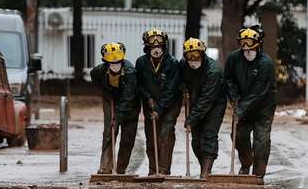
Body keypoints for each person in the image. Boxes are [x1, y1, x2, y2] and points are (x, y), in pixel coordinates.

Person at [163, 38, 226, 177]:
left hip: (214, 105)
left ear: (202, 54)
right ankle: (203, 166)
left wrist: (191, 119)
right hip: (195, 102)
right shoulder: (183, 65)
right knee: (196, 141)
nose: (193, 59)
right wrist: (184, 88)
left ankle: (206, 172)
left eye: (196, 55)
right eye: (189, 56)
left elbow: (207, 99)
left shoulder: (214, 71)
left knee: (208, 136)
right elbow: (180, 81)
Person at [224, 26, 277, 177]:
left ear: (258, 45)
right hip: (241, 104)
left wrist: (240, 110)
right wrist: (234, 97)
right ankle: (246, 163)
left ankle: (258, 174)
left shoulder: (265, 63)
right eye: (243, 44)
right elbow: (228, 79)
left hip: (263, 108)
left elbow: (258, 93)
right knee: (238, 135)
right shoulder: (233, 59)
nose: (247, 49)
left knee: (261, 141)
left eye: (250, 45)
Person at [136, 29, 180, 175]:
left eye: (160, 46)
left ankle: (163, 170)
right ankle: (153, 170)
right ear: (147, 46)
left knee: (166, 135)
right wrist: (148, 98)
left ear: (164, 46)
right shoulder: (141, 62)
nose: (156, 49)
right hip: (150, 104)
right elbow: (140, 84)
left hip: (170, 105)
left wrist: (159, 109)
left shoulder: (172, 63)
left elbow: (171, 90)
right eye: (153, 46)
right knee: (151, 137)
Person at [90, 42, 138, 174]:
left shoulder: (130, 72)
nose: (115, 63)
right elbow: (94, 79)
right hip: (111, 100)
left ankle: (121, 169)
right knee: (109, 133)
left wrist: (117, 116)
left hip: (130, 105)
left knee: (128, 137)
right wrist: (106, 94)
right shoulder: (98, 71)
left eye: (118, 60)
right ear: (105, 61)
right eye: (112, 61)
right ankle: (105, 166)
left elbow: (128, 97)